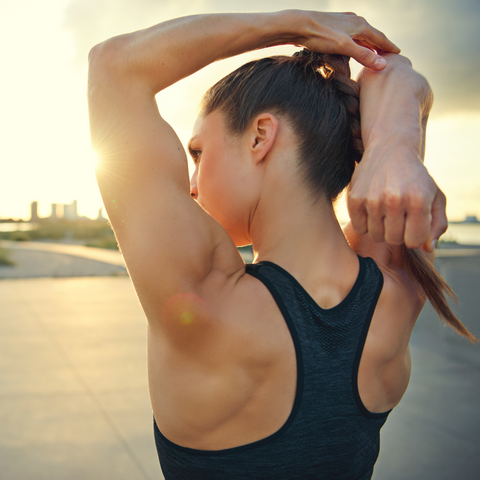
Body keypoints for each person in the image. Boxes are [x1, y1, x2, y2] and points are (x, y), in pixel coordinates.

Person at [87, 10, 477, 479]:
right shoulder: (396, 286)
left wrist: (295, 24)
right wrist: (393, 142)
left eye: (198, 153)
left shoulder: (206, 297)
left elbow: (114, 66)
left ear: (260, 137)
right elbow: (396, 72)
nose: (192, 184)